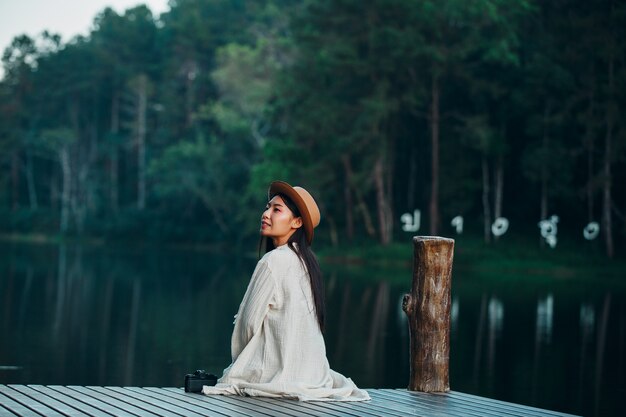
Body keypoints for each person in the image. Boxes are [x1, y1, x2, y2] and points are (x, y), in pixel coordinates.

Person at [202, 181, 370, 401]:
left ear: (297, 222)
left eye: (276, 209)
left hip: (277, 375)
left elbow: (248, 324)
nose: (266, 214)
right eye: (267, 207)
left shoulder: (273, 261)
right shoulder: (306, 262)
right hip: (312, 375)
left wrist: (241, 363)